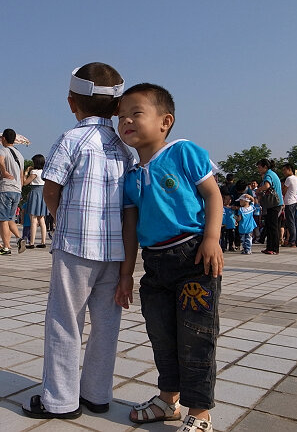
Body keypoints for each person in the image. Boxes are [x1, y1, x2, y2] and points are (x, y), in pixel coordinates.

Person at [22, 63, 133, 419]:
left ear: (72, 102)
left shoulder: (70, 140)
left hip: (74, 248)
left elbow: (51, 189)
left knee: (65, 321)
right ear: (117, 108)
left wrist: (61, 219)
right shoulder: (126, 150)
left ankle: (60, 400)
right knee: (106, 325)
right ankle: (98, 394)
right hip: (114, 254)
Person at [115, 83, 222, 432]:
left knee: (196, 337)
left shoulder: (183, 152)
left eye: (136, 113)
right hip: (155, 265)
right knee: (161, 335)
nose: (126, 121)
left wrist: (212, 239)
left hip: (194, 258)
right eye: (121, 116)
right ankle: (167, 400)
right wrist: (126, 274)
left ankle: (200, 413)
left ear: (165, 121)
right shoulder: (130, 176)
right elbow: (130, 229)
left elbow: (213, 196)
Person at [0, 128, 25, 255]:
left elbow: (0, 161)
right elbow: (22, 175)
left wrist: (4, 172)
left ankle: (6, 247)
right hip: (17, 190)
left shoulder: (3, 150)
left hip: (6, 188)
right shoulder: (20, 155)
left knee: (3, 220)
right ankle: (19, 239)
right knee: (10, 218)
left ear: (4, 138)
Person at [255, 159, 283, 255]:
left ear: (265, 167)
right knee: (269, 226)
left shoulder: (268, 174)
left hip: (274, 204)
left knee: (273, 227)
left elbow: (267, 186)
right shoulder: (271, 174)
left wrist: (258, 190)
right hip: (272, 204)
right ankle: (269, 247)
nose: (258, 169)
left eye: (259, 167)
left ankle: (274, 248)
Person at [23, 154, 49, 249]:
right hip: (43, 193)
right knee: (42, 219)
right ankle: (43, 241)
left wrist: (26, 172)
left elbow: (25, 183)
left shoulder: (34, 172)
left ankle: (32, 242)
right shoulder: (45, 172)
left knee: (33, 219)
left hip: (35, 193)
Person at [281, 163, 297, 246]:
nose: (283, 172)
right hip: (294, 201)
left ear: (289, 169)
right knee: (293, 222)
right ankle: (294, 239)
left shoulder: (289, 179)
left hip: (289, 202)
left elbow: (284, 190)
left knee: (290, 222)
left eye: (284, 170)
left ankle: (292, 241)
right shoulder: (296, 178)